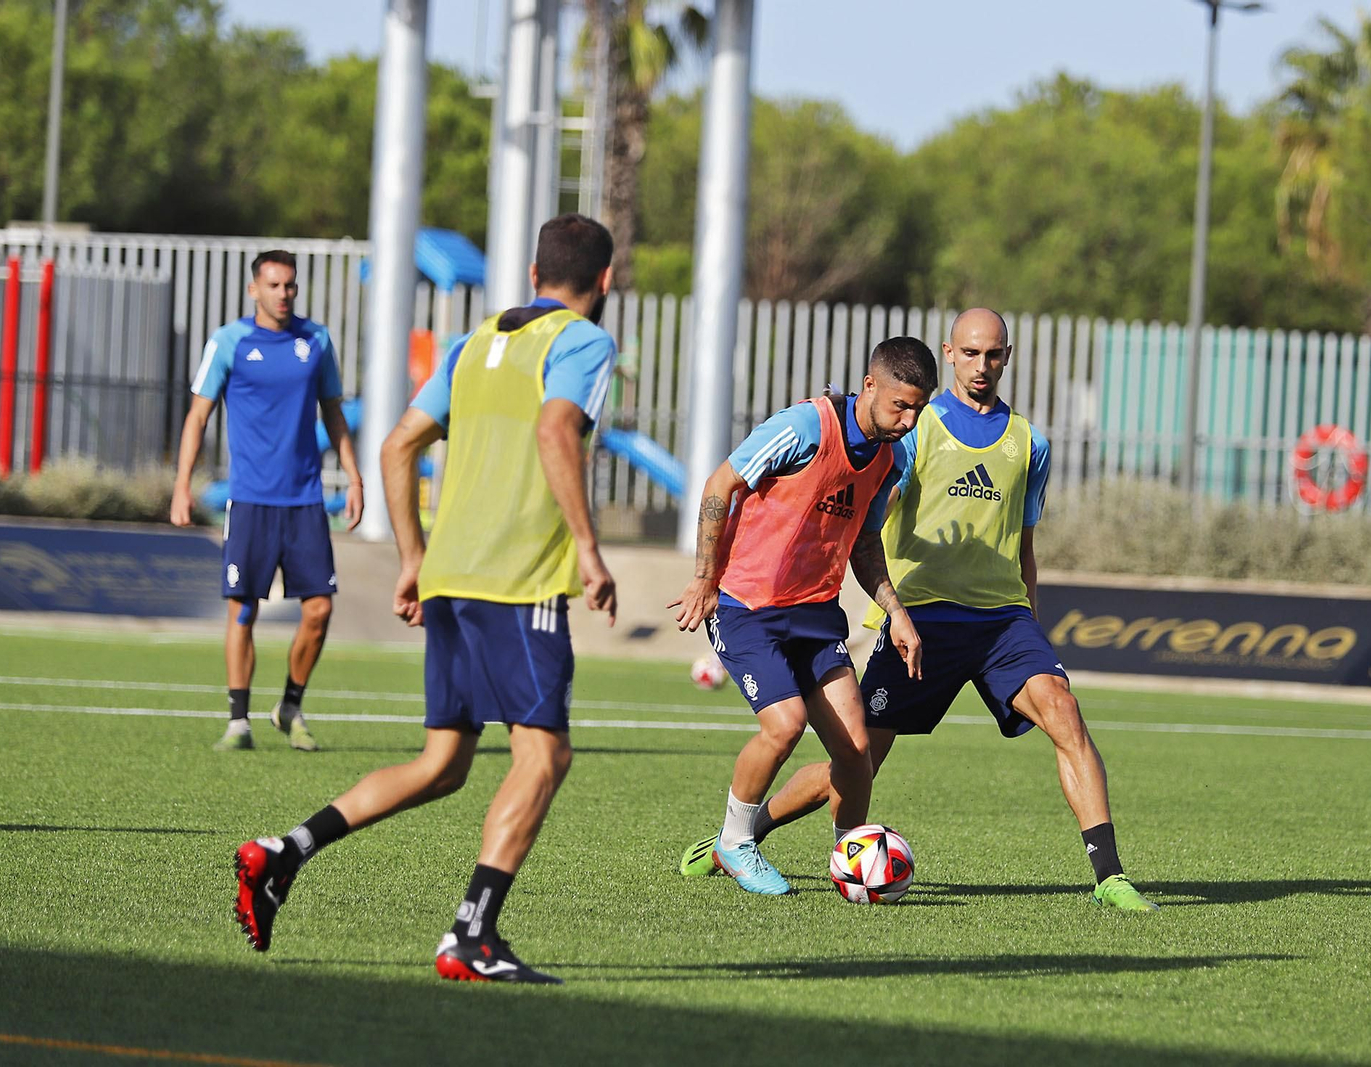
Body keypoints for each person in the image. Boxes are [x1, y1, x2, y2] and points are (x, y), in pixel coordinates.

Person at [230, 214, 619, 985]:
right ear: (604, 281)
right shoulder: (583, 340)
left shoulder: (474, 343)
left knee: (444, 761)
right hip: (519, 580)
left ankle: (283, 854)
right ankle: (472, 935)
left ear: (535, 268)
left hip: (450, 577)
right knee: (545, 754)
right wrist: (587, 545)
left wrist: (414, 556)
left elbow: (396, 443)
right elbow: (554, 430)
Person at [679, 310, 1157, 911]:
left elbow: (1011, 542)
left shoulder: (1026, 443)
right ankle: (744, 836)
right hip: (911, 617)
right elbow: (821, 509)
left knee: (1062, 713)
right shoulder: (899, 430)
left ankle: (1109, 876)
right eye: (972, 353)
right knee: (843, 755)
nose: (983, 366)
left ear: (1008, 357)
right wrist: (715, 578)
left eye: (995, 355)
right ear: (949, 352)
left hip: (997, 621)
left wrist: (1026, 617)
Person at [669, 338, 937, 896]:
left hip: (815, 615)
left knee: (856, 751)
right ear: (869, 386)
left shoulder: (891, 459)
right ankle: (734, 843)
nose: (908, 420)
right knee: (785, 725)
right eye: (899, 405)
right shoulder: (804, 428)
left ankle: (850, 857)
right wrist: (703, 577)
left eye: (918, 408)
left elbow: (865, 547)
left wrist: (897, 613)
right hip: (747, 606)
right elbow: (722, 483)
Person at [171, 250, 362, 753]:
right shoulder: (229, 342)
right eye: (274, 285)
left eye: (290, 286)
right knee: (242, 611)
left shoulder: (316, 340)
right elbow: (198, 417)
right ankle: (238, 722)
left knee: (319, 609)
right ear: (254, 289)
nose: (283, 294)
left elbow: (335, 415)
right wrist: (181, 485)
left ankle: (290, 706)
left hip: (304, 501)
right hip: (250, 501)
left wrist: (356, 479)